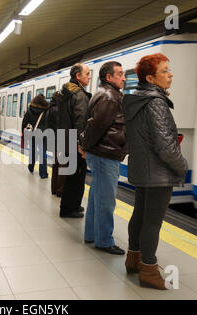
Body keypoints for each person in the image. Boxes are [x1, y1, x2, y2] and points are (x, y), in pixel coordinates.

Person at [122, 53, 188, 290]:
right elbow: (166, 147)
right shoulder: (156, 103)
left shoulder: (136, 99)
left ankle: (134, 258)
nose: (170, 74)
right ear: (151, 78)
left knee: (139, 215)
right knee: (152, 222)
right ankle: (149, 270)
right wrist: (183, 167)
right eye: (165, 70)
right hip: (158, 173)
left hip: (142, 169)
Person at [80, 61, 128, 255]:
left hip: (102, 153)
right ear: (109, 77)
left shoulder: (104, 93)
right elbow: (96, 126)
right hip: (105, 154)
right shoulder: (109, 96)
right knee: (106, 200)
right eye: (120, 74)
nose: (124, 78)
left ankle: (91, 234)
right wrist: (84, 145)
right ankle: (104, 240)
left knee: (96, 197)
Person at [59, 63, 91, 218]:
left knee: (71, 175)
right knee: (77, 177)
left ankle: (72, 205)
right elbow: (81, 122)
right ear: (78, 76)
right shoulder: (79, 96)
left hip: (66, 140)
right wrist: (81, 145)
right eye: (87, 74)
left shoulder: (65, 93)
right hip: (75, 144)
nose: (89, 77)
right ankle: (69, 208)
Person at [21, 94, 49, 179]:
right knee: (42, 153)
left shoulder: (30, 110)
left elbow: (24, 122)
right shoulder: (46, 110)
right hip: (43, 134)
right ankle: (43, 173)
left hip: (32, 134)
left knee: (33, 152)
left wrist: (23, 132)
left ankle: (31, 167)